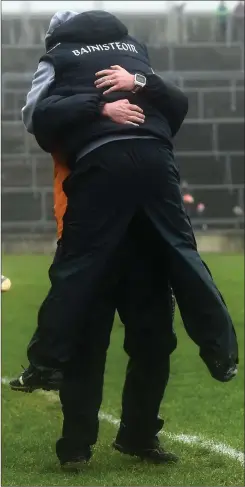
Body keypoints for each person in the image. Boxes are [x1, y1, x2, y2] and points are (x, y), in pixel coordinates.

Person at [11, 8, 238, 468]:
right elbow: (174, 110)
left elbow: (36, 116)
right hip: (136, 213)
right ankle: (216, 355)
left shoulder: (61, 60)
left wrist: (130, 91)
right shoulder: (134, 53)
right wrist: (117, 97)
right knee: (152, 335)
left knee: (95, 336)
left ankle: (80, 443)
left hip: (102, 214)